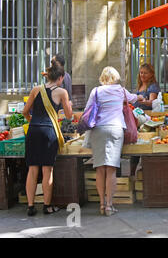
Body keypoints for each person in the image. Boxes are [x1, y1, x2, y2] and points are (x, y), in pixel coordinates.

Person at [84, 66, 144, 216]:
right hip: (116, 129)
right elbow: (135, 98)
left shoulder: (96, 91)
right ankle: (110, 206)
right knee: (111, 169)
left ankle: (102, 205)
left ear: (102, 78)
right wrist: (141, 98)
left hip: (98, 130)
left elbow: (87, 110)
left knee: (99, 168)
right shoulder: (121, 90)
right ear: (116, 78)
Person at [22, 61, 72, 216]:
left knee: (32, 169)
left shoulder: (36, 89)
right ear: (61, 78)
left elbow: (25, 112)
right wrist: (67, 104)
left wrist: (34, 123)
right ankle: (47, 206)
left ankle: (30, 207)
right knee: (47, 170)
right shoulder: (62, 92)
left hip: (33, 131)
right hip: (49, 131)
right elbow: (69, 116)